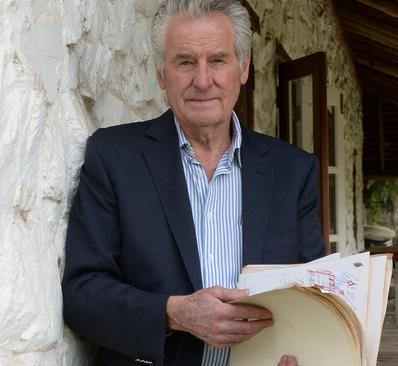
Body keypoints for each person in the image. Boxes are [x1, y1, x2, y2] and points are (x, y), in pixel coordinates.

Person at [62, 1, 325, 365]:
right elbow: (82, 294)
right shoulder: (114, 158)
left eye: (218, 60)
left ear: (243, 67)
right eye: (185, 62)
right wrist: (174, 313)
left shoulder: (294, 171)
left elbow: (316, 294)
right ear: (160, 73)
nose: (203, 81)